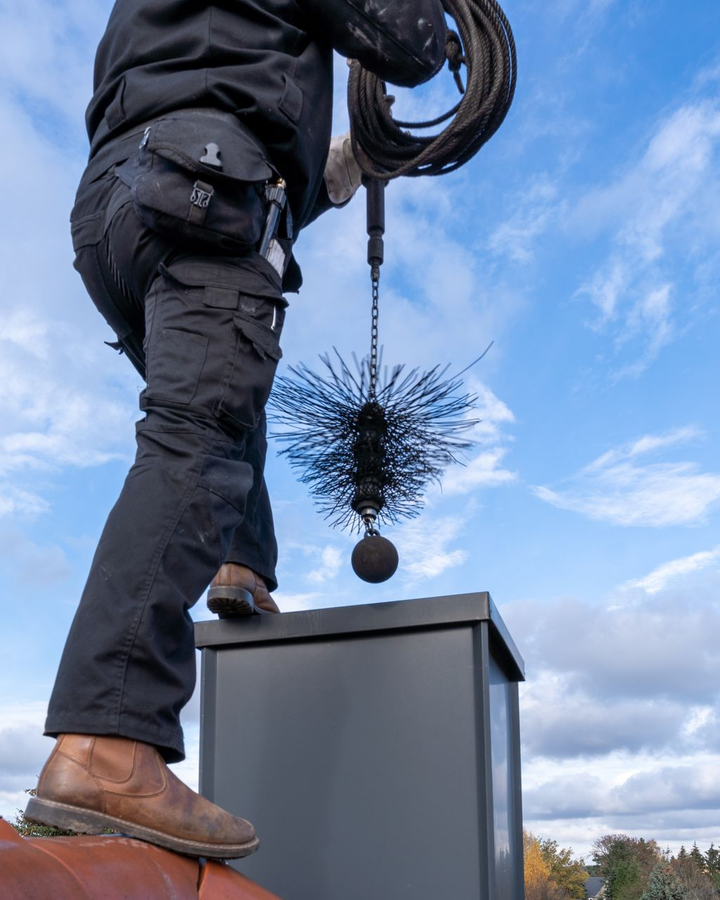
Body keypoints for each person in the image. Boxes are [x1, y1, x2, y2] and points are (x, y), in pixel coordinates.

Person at [27, 0, 447, 860]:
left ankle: (241, 563)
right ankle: (107, 742)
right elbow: (406, 41)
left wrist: (336, 168)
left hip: (120, 207)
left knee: (219, 400)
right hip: (201, 188)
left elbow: (215, 93)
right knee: (200, 435)